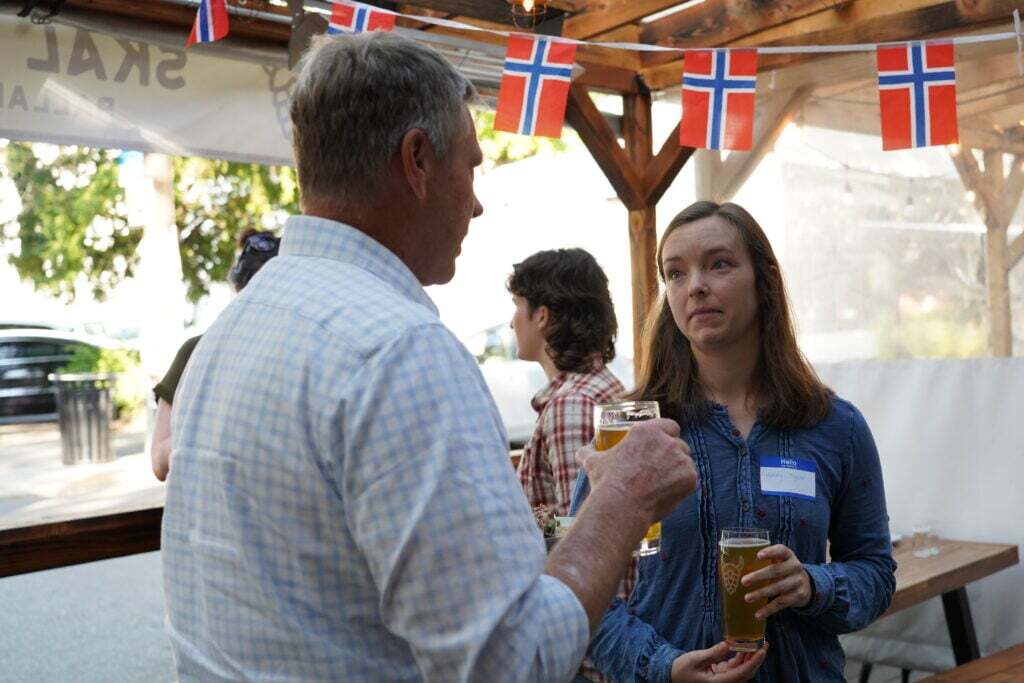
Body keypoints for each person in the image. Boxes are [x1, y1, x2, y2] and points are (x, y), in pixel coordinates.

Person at [161, 33, 761, 682]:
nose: (476, 203)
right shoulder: (399, 349)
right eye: (472, 166)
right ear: (417, 159)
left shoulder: (230, 330)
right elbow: (510, 663)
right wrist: (622, 498)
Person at [571, 201, 896, 682]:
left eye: (719, 264)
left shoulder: (834, 425)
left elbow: (875, 571)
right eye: (675, 273)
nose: (695, 286)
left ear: (765, 280)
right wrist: (662, 666)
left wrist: (812, 584)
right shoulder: (635, 429)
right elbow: (579, 591)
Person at [148, 229, 279, 481]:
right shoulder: (195, 349)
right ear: (238, 290)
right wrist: (210, 434)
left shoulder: (291, 352)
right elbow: (159, 461)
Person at [509, 248, 624, 517]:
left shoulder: (571, 404)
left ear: (542, 316)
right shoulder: (600, 386)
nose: (511, 323)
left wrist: (533, 522)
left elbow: (580, 525)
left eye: (517, 305)